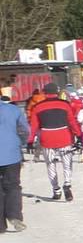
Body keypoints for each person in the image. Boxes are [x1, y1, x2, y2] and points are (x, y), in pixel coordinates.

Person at [28, 83, 81, 202]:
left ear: (45, 93)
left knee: (50, 164)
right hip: (64, 136)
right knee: (67, 163)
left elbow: (33, 126)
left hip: (47, 138)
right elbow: (72, 121)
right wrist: (79, 135)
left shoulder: (37, 107)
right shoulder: (65, 104)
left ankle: (56, 189)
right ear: (57, 92)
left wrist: (30, 141)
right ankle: (67, 183)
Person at [1, 93, 28, 231]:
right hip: (11, 154)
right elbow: (24, 130)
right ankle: (15, 215)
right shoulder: (13, 110)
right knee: (13, 185)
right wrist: (21, 143)